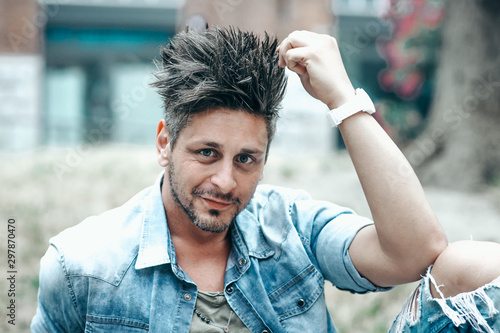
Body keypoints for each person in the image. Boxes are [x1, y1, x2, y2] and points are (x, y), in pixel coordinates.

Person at [31, 27, 500, 333]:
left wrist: (342, 100)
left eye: (247, 159)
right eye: (206, 153)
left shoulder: (291, 222)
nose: (225, 181)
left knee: (471, 267)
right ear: (164, 144)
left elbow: (415, 253)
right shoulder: (81, 267)